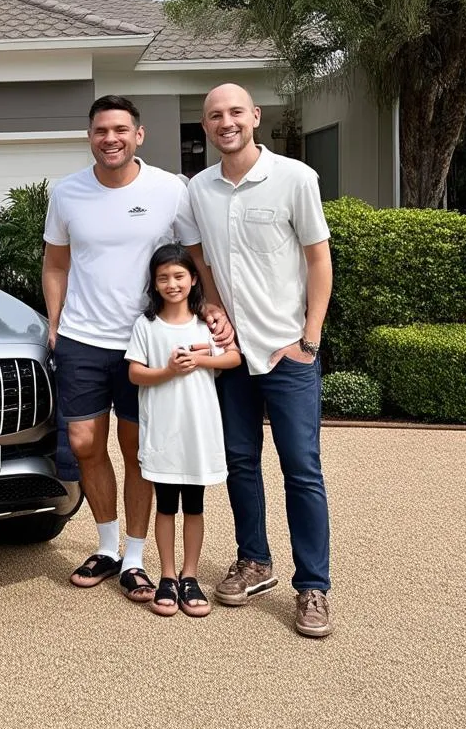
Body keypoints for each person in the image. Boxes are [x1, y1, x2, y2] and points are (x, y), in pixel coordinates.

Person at [42, 95, 233, 601]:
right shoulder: (67, 194)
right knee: (84, 442)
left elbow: (195, 257)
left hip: (145, 338)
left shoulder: (170, 189)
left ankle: (133, 557)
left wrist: (211, 305)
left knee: (138, 452)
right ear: (90, 136)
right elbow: (56, 264)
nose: (111, 138)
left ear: (138, 135)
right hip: (83, 338)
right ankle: (106, 546)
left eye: (121, 129)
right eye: (102, 130)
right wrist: (55, 322)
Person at [181, 83, 334, 638]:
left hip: (288, 354)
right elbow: (197, 255)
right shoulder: (198, 190)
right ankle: (255, 561)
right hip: (234, 356)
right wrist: (213, 304)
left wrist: (309, 340)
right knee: (240, 462)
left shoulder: (295, 178)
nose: (226, 122)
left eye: (235, 112)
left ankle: (313, 587)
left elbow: (319, 260)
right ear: (205, 126)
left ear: (255, 117)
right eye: (215, 115)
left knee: (302, 470)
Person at [125, 243, 242, 617]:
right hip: (163, 433)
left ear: (193, 280)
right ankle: (168, 576)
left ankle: (190, 576)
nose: (172, 284)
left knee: (194, 506)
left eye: (179, 276)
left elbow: (234, 357)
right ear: (154, 284)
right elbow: (135, 373)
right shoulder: (146, 325)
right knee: (165, 506)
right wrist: (169, 370)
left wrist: (202, 359)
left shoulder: (205, 324)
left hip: (197, 432)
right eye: (163, 278)